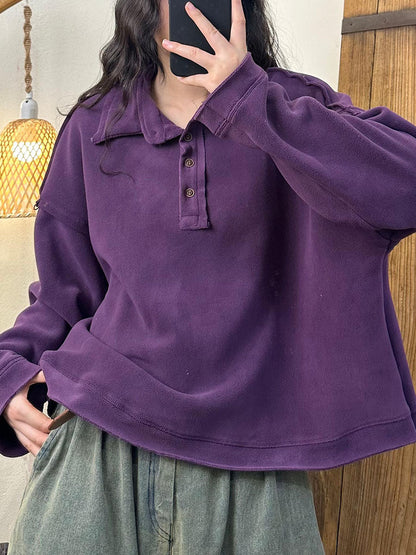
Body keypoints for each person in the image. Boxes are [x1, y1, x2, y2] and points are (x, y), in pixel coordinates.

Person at [3, 0, 416, 552]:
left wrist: (249, 102)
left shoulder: (289, 105)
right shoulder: (94, 126)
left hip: (256, 459)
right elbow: (62, 296)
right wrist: (6, 373)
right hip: (97, 442)